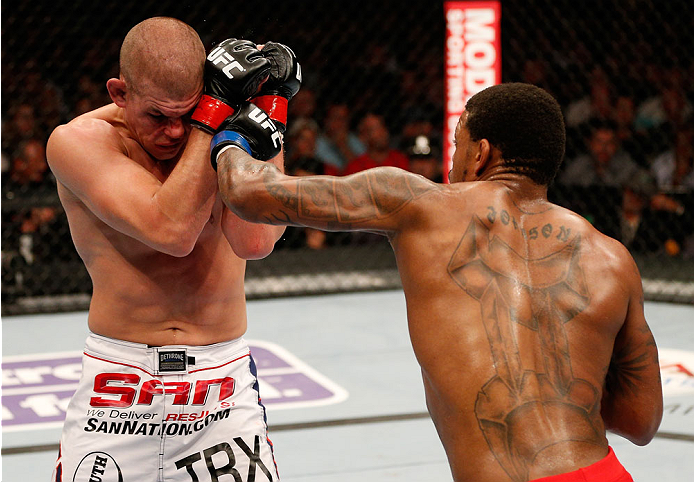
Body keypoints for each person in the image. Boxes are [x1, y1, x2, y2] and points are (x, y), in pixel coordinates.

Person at [213, 82, 663, 481]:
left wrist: (229, 125)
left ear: (481, 153)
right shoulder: (612, 258)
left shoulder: (417, 202)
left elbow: (249, 193)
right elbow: (641, 420)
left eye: (456, 145)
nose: (452, 162)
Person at [46, 17, 300, 481]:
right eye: (158, 117)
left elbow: (255, 241)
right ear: (120, 94)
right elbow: (173, 231)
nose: (176, 133)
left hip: (222, 390)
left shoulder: (221, 129)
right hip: (118, 388)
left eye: (186, 115)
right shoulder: (78, 142)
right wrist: (212, 115)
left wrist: (270, 107)